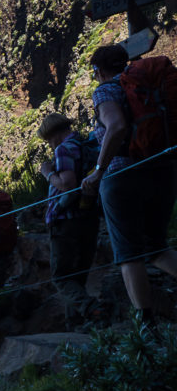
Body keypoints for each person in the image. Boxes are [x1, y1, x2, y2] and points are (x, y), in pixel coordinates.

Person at [82, 44, 177, 335]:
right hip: (163, 168)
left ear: (98, 70)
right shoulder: (148, 85)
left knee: (129, 253)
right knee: (157, 246)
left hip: (121, 174)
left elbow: (116, 125)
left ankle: (146, 328)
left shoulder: (105, 90)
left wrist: (98, 171)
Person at [37, 113, 102, 328]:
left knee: (61, 277)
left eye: (48, 139)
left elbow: (67, 184)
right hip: (88, 215)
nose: (49, 144)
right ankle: (76, 323)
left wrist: (47, 173)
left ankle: (93, 309)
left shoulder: (64, 149)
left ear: (53, 133)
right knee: (77, 274)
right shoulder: (86, 145)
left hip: (66, 219)